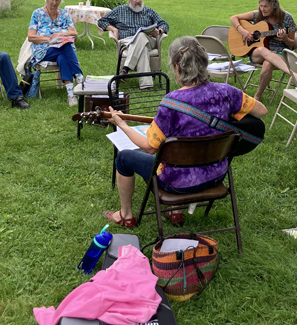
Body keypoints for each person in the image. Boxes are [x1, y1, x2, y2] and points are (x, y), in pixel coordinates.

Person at [102, 36, 268, 228]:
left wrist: (121, 124)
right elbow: (262, 111)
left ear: (177, 67)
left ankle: (126, 214)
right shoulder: (227, 92)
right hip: (216, 175)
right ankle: (175, 211)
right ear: (204, 62)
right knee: (183, 145)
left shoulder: (171, 103)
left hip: (178, 182)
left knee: (124, 158)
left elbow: (149, 148)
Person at [229, 0, 297, 100]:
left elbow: (292, 43)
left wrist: (285, 38)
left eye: (266, 6)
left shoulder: (287, 18)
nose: (262, 9)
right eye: (261, 6)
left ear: (274, 6)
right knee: (262, 50)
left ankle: (257, 96)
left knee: (268, 64)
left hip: (279, 53)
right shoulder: (257, 14)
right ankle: (292, 74)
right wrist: (243, 31)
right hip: (258, 52)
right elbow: (233, 18)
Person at [97, 0, 169, 90]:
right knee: (142, 49)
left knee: (141, 35)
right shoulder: (120, 10)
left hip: (148, 40)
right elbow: (101, 21)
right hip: (128, 42)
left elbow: (164, 24)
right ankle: (146, 85)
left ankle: (125, 68)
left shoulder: (148, 11)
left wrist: (159, 31)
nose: (138, 1)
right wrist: (113, 29)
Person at [27, 0, 84, 105]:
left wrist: (60, 35)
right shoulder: (37, 13)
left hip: (62, 50)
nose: (54, 2)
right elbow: (31, 37)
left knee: (63, 55)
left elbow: (74, 34)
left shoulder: (64, 14)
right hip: (44, 51)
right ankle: (79, 77)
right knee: (66, 46)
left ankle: (71, 95)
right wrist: (49, 39)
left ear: (61, 0)